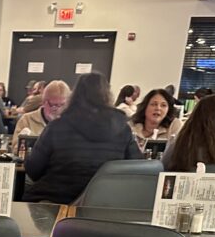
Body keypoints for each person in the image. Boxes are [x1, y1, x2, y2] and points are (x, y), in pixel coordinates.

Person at [23, 72, 142, 204]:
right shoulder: (123, 129)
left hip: (56, 201)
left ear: (74, 95)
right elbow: (136, 168)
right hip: (103, 203)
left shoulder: (57, 126)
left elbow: (33, 170)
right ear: (108, 96)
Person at [11, 80, 69, 151]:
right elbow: (16, 149)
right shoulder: (27, 120)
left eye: (63, 105)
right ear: (44, 102)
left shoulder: (70, 122)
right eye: (54, 105)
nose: (59, 110)